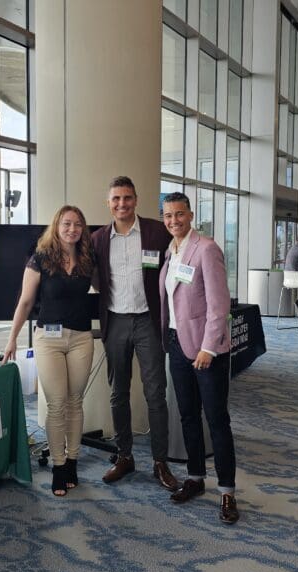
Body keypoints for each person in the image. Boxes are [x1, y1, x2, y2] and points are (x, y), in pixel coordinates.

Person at [91, 176, 177, 491]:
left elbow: (176, 266)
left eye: (127, 198)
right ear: (109, 202)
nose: (122, 204)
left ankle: (160, 462)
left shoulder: (156, 231)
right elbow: (96, 279)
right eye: (116, 199)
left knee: (155, 394)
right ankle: (124, 456)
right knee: (118, 393)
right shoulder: (98, 239)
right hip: (114, 321)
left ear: (136, 200)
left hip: (147, 321)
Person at [2, 206, 95, 497]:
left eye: (78, 224)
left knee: (75, 401)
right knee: (56, 404)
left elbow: (107, 289)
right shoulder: (41, 258)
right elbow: (25, 302)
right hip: (48, 339)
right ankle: (58, 465)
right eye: (66, 223)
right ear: (56, 226)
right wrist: (12, 339)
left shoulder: (88, 259)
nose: (72, 229)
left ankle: (73, 461)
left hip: (81, 337)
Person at [159, 192, 239, 525]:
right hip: (178, 345)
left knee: (216, 420)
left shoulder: (206, 248)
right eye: (167, 216)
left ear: (191, 215)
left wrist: (208, 347)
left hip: (206, 351)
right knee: (188, 416)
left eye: (179, 214)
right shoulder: (171, 251)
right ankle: (194, 477)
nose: (173, 221)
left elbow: (220, 305)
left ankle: (227, 491)